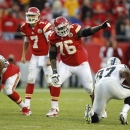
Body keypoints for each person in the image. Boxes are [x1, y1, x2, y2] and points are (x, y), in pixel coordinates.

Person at [46, 16, 110, 117]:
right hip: (66, 64)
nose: (62, 30)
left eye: (64, 27)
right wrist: (54, 72)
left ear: (67, 25)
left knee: (90, 88)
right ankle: (54, 109)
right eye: (60, 28)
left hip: (81, 64)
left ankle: (100, 110)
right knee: (56, 81)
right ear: (55, 29)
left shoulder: (74, 29)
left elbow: (86, 32)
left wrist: (100, 27)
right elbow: (52, 54)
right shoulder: (53, 37)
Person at [20, 7, 54, 115]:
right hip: (34, 56)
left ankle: (54, 107)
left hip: (46, 55)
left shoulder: (44, 26)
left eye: (32, 16)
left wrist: (50, 57)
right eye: (29, 16)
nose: (30, 18)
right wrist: (24, 55)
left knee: (50, 81)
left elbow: (52, 42)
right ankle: (27, 107)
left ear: (38, 16)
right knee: (30, 79)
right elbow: (26, 41)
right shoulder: (25, 27)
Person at [84, 57, 130, 124]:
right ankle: (124, 113)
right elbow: (125, 72)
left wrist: (94, 106)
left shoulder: (99, 71)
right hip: (112, 83)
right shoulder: (120, 66)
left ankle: (91, 113)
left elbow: (94, 92)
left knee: (96, 119)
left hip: (99, 87)